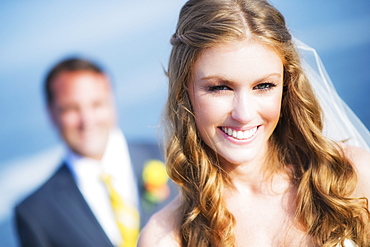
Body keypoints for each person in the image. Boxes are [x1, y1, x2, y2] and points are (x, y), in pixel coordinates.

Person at [138, 0, 370, 246]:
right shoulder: (165, 238)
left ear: (287, 86)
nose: (244, 114)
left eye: (264, 86)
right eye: (219, 88)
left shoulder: (353, 176)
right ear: (184, 91)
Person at [15, 58, 175, 247]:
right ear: (51, 113)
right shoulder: (35, 213)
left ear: (112, 100)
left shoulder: (171, 156)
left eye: (97, 104)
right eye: (71, 109)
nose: (87, 120)